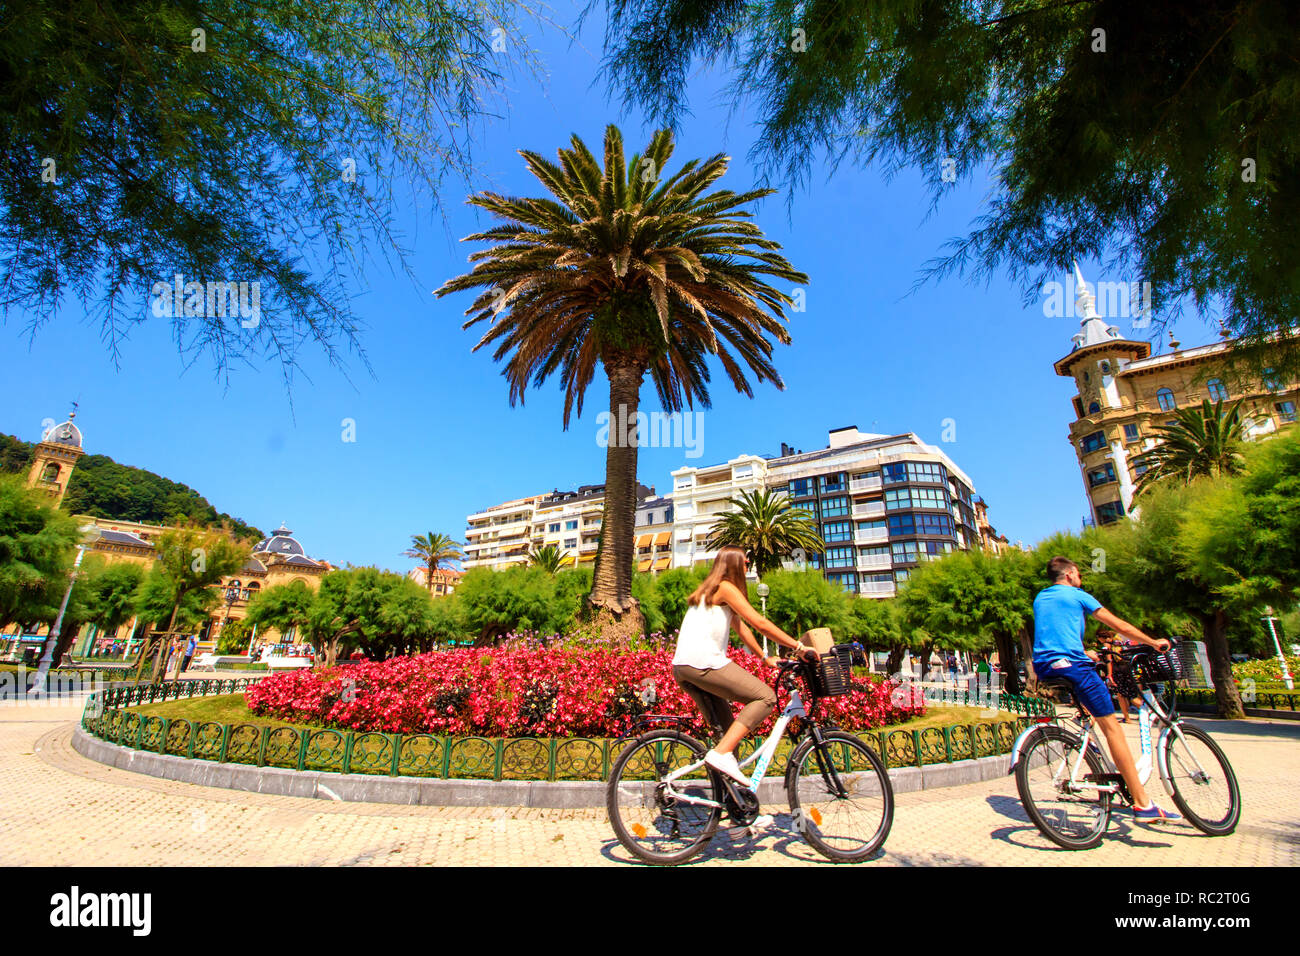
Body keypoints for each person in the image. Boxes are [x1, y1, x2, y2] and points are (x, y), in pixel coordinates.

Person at [1033, 557, 1178, 821]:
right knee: (1113, 729)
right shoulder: (1078, 595)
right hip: (1071, 666)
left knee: (1090, 704)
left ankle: (1092, 746)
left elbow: (1055, 632)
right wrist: (1153, 642)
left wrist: (1085, 652)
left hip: (1045, 666)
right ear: (1069, 575)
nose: (1081, 579)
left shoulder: (1041, 598)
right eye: (1078, 574)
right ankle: (1143, 804)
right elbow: (1119, 626)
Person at [672, 546, 818, 787]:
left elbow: (742, 628)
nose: (748, 565)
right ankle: (720, 755)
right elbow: (759, 622)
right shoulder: (726, 588)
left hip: (683, 668)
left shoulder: (708, 591)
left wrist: (763, 656)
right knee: (765, 697)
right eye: (745, 561)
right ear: (732, 565)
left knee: (728, 736)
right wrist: (799, 647)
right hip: (704, 663)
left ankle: (733, 804)